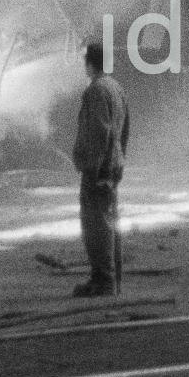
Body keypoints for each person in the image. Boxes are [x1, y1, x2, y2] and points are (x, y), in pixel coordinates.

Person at [70, 43, 131, 297]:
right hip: (113, 165)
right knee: (110, 223)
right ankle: (112, 280)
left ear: (90, 64)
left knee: (96, 225)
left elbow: (98, 133)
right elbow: (124, 128)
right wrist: (119, 159)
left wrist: (93, 169)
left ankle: (103, 281)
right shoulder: (116, 88)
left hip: (100, 168)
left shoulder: (95, 90)